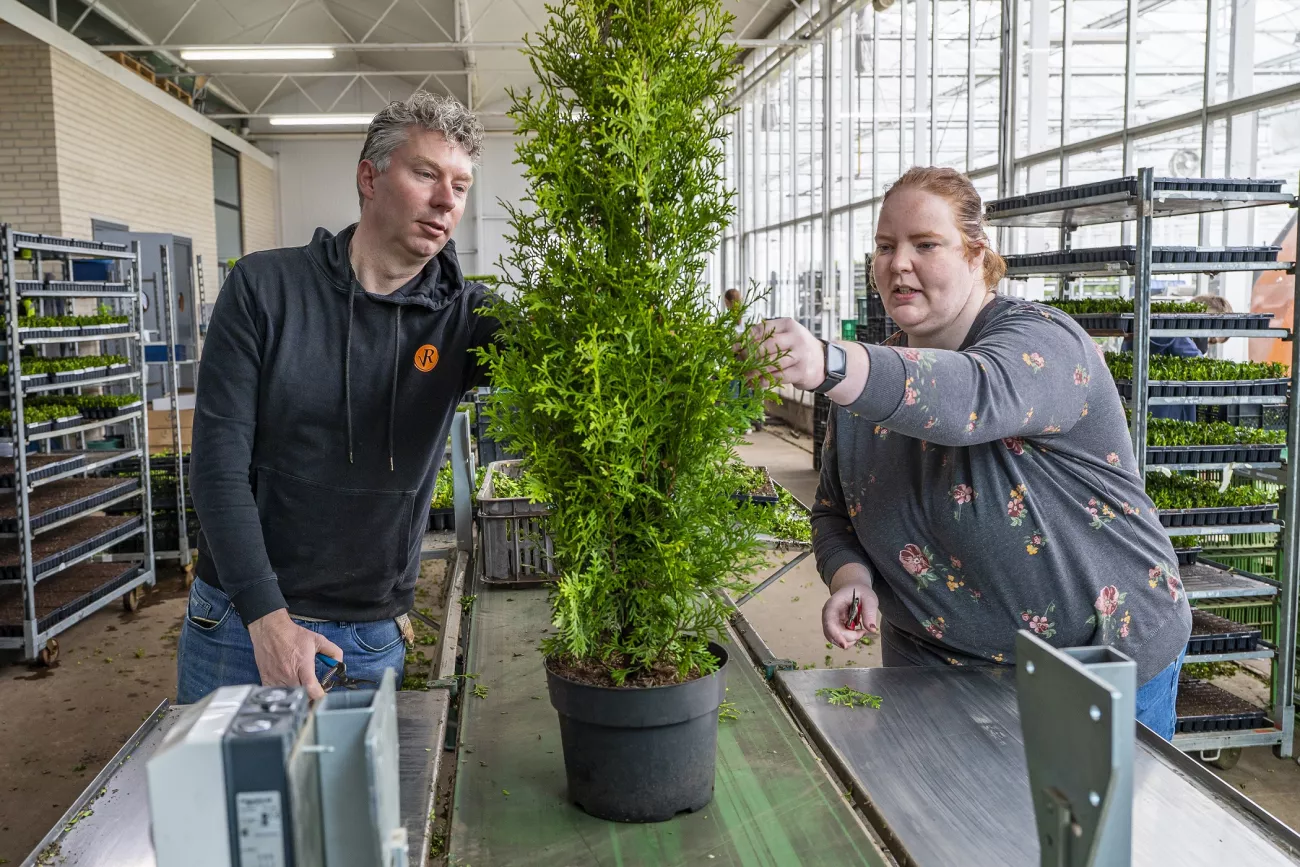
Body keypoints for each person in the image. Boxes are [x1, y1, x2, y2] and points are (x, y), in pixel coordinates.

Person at [750, 167, 1192, 739]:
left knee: (1070, 831)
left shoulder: (1043, 342)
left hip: (1094, 661)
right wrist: (850, 577)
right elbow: (835, 511)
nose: (898, 263)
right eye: (885, 247)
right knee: (937, 821)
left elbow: (971, 398)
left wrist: (830, 362)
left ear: (977, 255)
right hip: (929, 666)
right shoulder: (863, 386)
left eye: (926, 244)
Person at [177, 92, 498, 703]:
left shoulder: (464, 319)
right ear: (369, 177)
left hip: (367, 636)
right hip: (240, 626)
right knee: (223, 800)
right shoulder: (265, 289)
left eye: (460, 185)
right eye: (426, 173)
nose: (445, 201)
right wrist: (266, 617)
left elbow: (566, 361)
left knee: (347, 802)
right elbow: (218, 469)